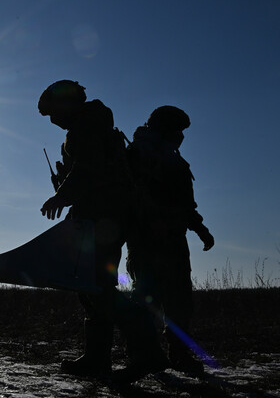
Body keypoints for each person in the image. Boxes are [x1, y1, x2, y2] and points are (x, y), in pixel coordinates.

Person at [38, 80, 168, 382]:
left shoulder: (89, 123)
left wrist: (62, 195)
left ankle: (147, 352)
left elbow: (88, 169)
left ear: (67, 104)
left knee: (97, 287)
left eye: (53, 113)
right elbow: (87, 173)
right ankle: (98, 358)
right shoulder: (84, 128)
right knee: (90, 288)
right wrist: (65, 188)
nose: (53, 121)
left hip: (106, 218)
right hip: (97, 216)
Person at [126, 106, 214, 374]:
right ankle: (144, 357)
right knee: (146, 299)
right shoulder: (138, 154)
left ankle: (178, 354)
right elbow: (131, 195)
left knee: (179, 301)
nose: (181, 136)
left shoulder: (172, 158)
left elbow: (185, 204)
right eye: (178, 130)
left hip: (173, 240)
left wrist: (199, 229)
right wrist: (152, 222)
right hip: (147, 241)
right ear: (165, 128)